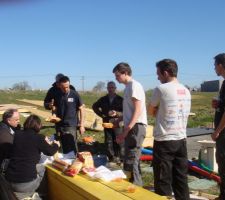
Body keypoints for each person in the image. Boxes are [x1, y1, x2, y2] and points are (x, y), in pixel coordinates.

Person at [148, 59, 191, 200]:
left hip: (164, 141)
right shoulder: (186, 90)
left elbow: (151, 110)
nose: (157, 77)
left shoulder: (161, 89)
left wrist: (159, 111)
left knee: (162, 180)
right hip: (181, 140)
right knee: (181, 178)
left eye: (158, 74)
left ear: (165, 73)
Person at [5, 115, 60, 198]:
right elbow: (50, 151)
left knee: (37, 167)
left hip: (9, 179)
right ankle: (42, 194)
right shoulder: (38, 138)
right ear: (38, 126)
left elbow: (27, 146)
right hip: (24, 183)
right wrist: (56, 145)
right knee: (42, 168)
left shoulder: (17, 134)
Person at [113, 62, 147, 186]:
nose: (116, 78)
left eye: (117, 75)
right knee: (131, 159)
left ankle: (136, 188)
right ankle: (135, 184)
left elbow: (138, 110)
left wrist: (126, 130)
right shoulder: (127, 87)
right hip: (132, 126)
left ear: (125, 73)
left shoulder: (135, 86)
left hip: (136, 126)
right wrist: (119, 119)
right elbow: (131, 110)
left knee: (132, 158)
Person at [92, 81, 124, 163]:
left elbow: (126, 111)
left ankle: (120, 157)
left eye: (112, 87)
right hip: (107, 122)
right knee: (108, 140)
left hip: (118, 122)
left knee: (118, 140)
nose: (110, 89)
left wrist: (117, 113)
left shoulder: (120, 99)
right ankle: (111, 157)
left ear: (115, 88)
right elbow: (94, 106)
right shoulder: (103, 99)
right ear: (107, 88)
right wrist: (102, 115)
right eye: (109, 87)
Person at [53, 75, 85, 155]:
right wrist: (53, 115)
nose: (66, 89)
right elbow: (55, 107)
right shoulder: (57, 95)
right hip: (59, 124)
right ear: (59, 85)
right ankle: (66, 162)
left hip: (71, 125)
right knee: (62, 145)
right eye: (63, 87)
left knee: (72, 146)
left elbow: (82, 109)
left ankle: (74, 162)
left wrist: (81, 125)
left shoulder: (75, 94)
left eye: (67, 87)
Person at [211, 53, 225, 200]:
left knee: (223, 162)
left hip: (223, 133)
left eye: (215, 65)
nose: (214, 68)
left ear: (220, 65)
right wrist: (218, 104)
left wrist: (218, 131)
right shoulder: (224, 83)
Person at [0, 108, 20, 173]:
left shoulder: (5, 125)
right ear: (8, 120)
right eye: (16, 120)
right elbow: (12, 153)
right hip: (4, 164)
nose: (19, 121)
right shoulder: (5, 135)